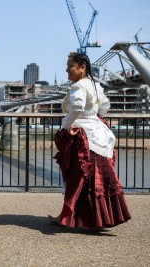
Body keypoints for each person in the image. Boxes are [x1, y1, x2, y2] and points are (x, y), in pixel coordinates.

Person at [48, 52, 131, 229]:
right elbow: (105, 105)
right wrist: (94, 118)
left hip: (83, 138)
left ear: (82, 67)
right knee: (97, 180)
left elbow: (77, 106)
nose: (66, 70)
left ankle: (67, 218)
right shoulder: (95, 85)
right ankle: (97, 218)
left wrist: (67, 125)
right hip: (99, 137)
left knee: (76, 179)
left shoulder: (78, 86)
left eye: (70, 66)